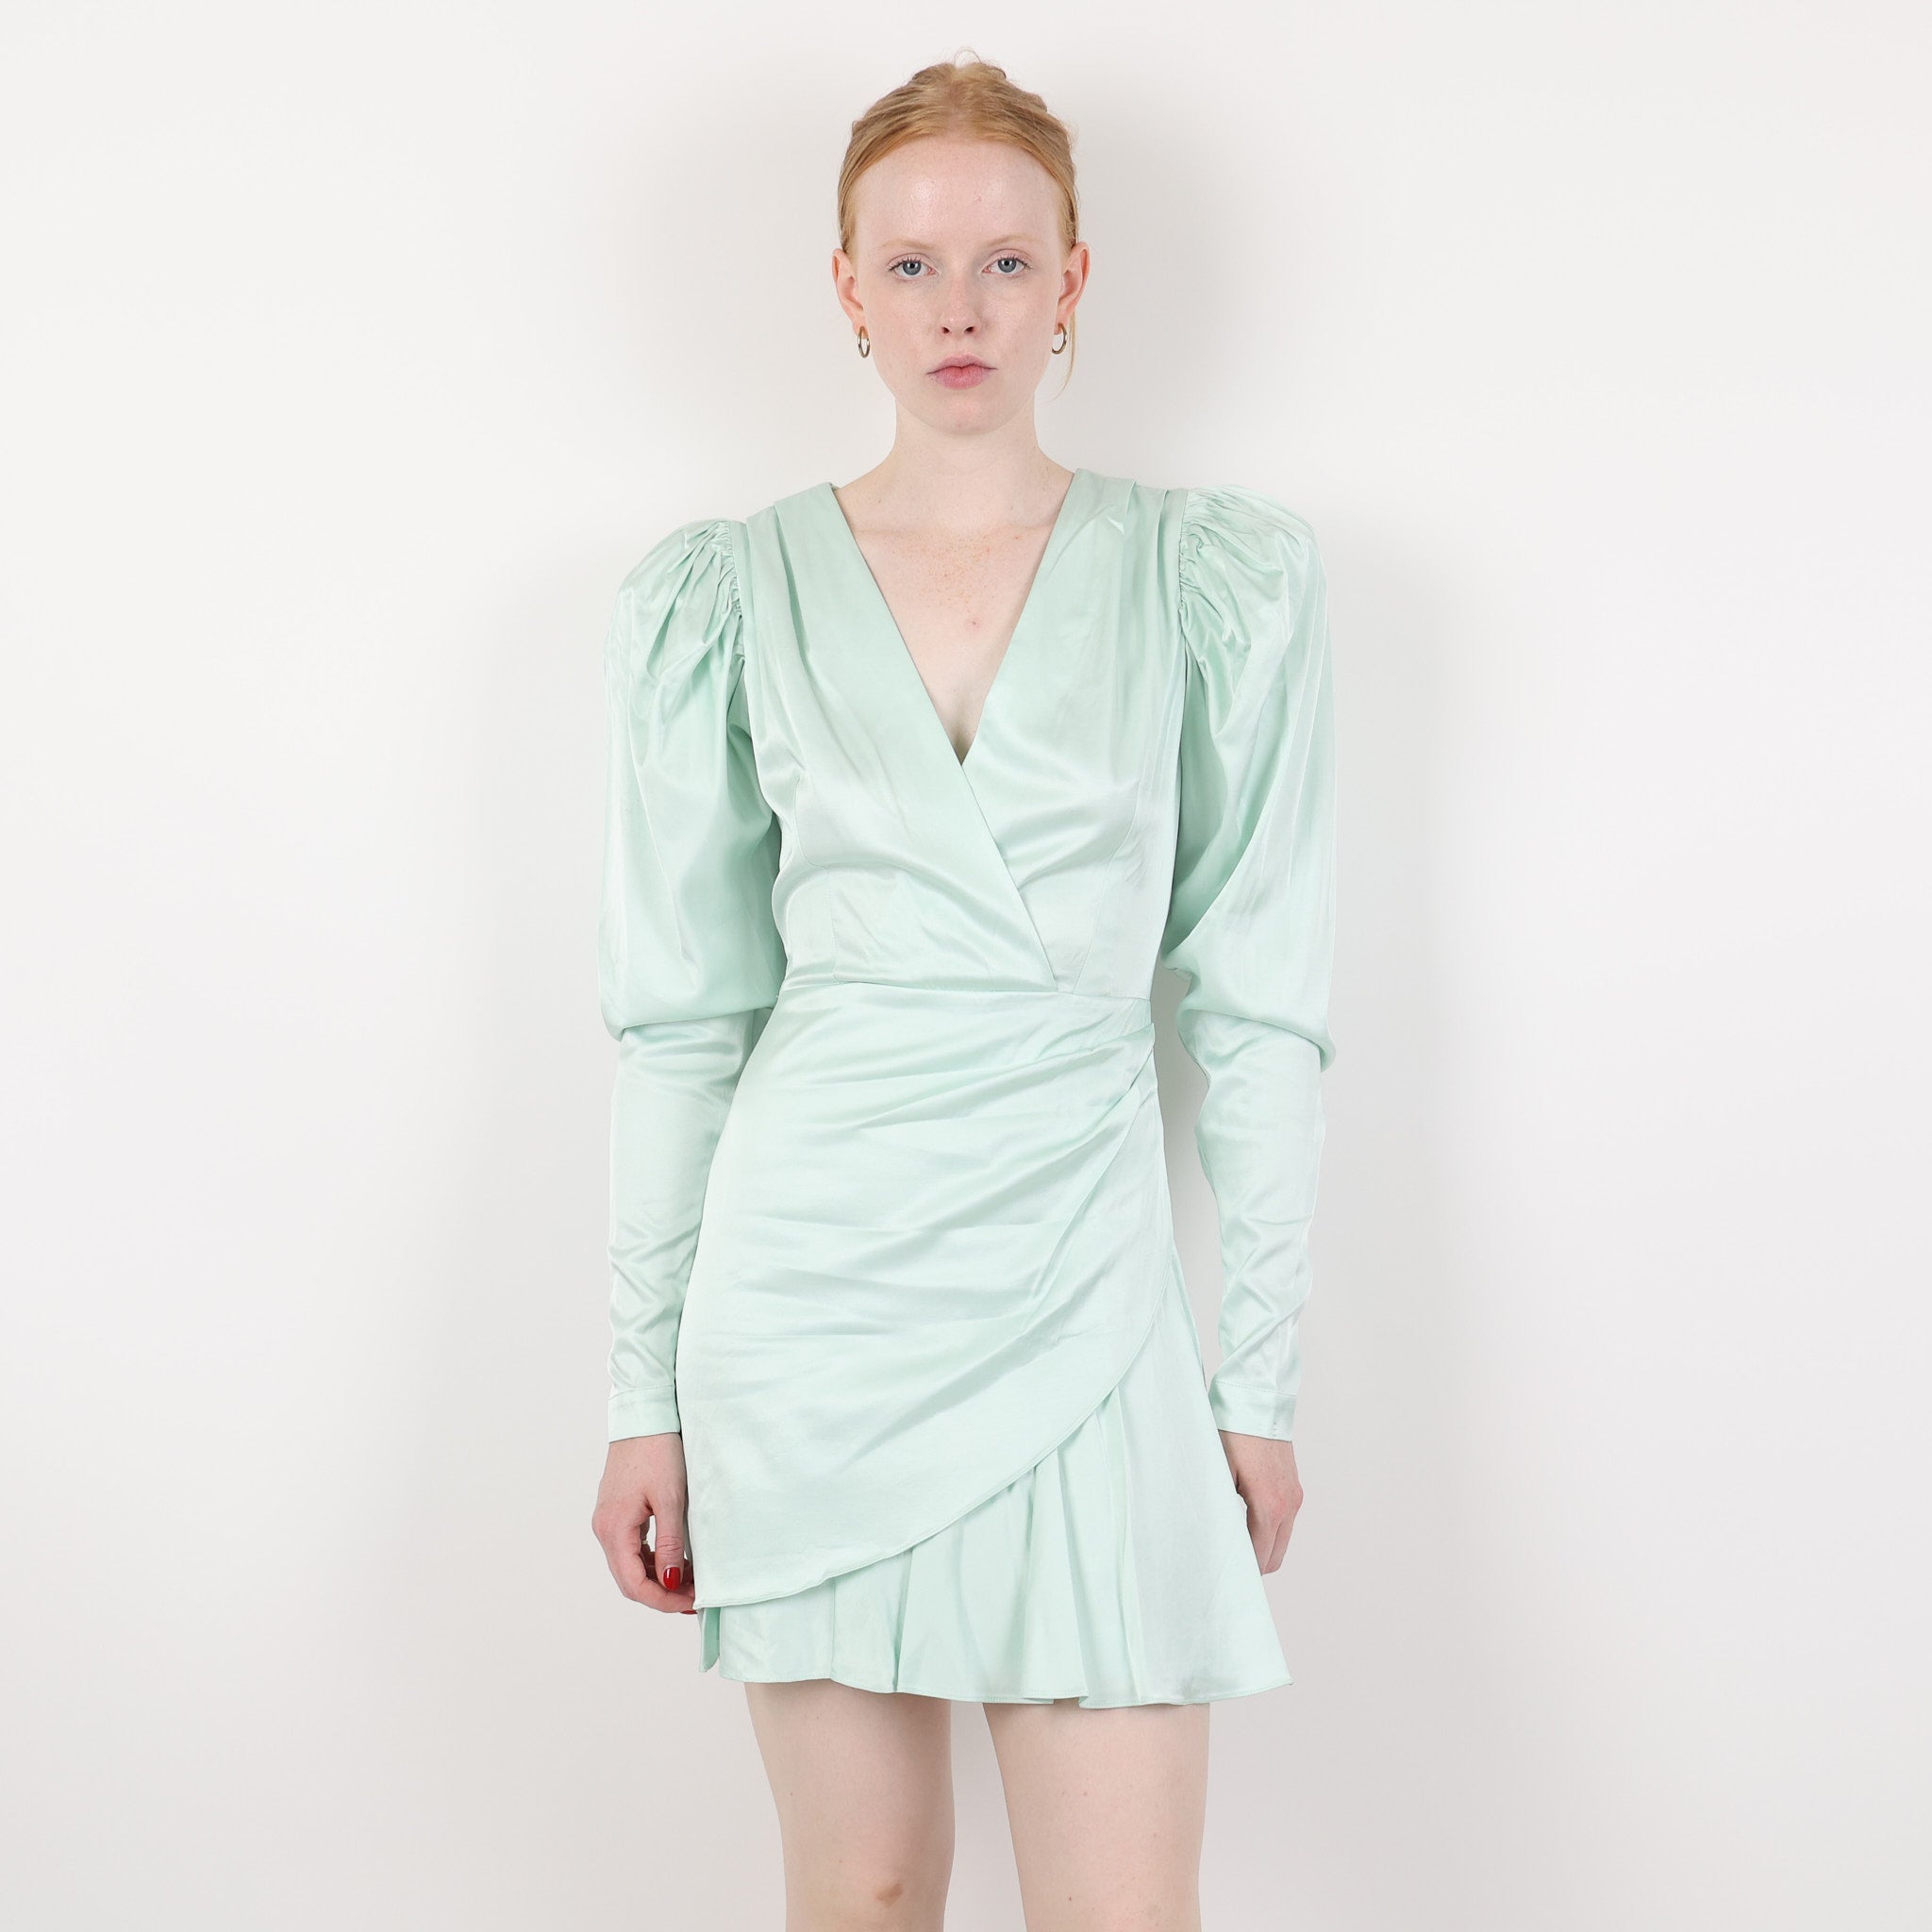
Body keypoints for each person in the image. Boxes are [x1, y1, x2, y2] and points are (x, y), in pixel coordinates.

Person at [589, 54, 1339, 1931]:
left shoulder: (1212, 580)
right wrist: (639, 1395)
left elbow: (1258, 1005)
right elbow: (683, 1022)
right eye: (912, 266)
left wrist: (1255, 1379)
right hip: (808, 1312)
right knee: (857, 1898)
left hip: (1088, 1297)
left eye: (1006, 263)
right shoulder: (723, 596)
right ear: (845, 289)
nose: (960, 310)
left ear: (1071, 281)